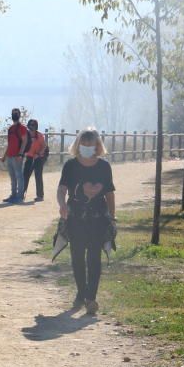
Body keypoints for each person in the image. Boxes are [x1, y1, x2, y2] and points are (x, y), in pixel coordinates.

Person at [57, 128, 115, 316]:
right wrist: (61, 205)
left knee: (94, 258)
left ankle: (91, 297)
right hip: (75, 218)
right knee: (77, 256)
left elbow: (109, 193)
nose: (87, 148)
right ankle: (81, 292)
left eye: (91, 146)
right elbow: (62, 188)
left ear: (97, 146)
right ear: (78, 145)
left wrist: (112, 218)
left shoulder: (104, 167)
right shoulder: (70, 166)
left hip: (98, 218)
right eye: (84, 145)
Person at [1, 108, 29, 203]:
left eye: (16, 113)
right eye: (13, 113)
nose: (14, 115)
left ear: (19, 115)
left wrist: (20, 154)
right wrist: (5, 156)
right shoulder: (10, 129)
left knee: (19, 176)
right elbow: (9, 144)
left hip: (17, 156)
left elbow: (24, 141)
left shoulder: (22, 128)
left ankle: (20, 196)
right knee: (12, 177)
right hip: (10, 156)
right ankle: (13, 195)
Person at [22, 119, 48, 201]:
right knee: (25, 174)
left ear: (36, 127)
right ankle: (21, 194)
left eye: (33, 125)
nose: (31, 127)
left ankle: (40, 196)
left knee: (38, 174)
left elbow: (44, 146)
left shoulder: (39, 135)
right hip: (30, 155)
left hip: (40, 155)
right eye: (30, 125)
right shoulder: (25, 136)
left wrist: (39, 154)